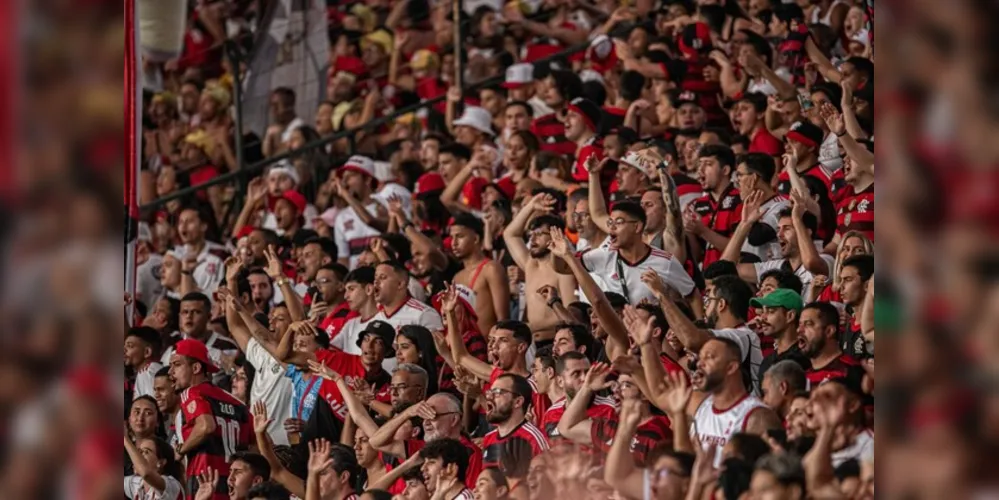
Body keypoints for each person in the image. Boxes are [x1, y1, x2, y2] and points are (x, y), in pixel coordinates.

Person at [168, 339, 253, 499]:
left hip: (205, 485)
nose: (170, 371)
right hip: (235, 489)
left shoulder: (191, 393)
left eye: (176, 365)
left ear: (196, 368)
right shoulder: (237, 403)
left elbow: (206, 426)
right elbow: (260, 444)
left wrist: (180, 450)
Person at [686, 337, 782, 467]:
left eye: (709, 357)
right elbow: (658, 394)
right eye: (700, 358)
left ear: (731, 367)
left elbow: (773, 473)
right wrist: (647, 345)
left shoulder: (758, 417)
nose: (699, 364)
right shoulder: (700, 405)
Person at [579, 199, 695, 305]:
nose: (612, 228)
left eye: (619, 222)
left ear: (637, 227)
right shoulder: (605, 255)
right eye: (610, 223)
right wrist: (565, 254)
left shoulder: (665, 261)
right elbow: (565, 267)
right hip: (617, 326)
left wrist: (701, 324)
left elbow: (692, 295)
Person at [502, 192, 578, 341]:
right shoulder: (530, 264)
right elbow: (510, 234)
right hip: (532, 342)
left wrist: (531, 326)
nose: (533, 239)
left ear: (555, 235)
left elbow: (572, 315)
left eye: (539, 234)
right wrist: (531, 206)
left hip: (555, 341)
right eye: (531, 235)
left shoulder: (563, 269)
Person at [449, 213, 510, 335]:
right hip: (465, 349)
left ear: (476, 239)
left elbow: (503, 319)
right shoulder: (457, 277)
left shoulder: (491, 269)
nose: (453, 243)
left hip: (488, 348)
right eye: (452, 237)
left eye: (459, 236)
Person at [687, 145, 743, 269]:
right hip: (708, 277)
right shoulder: (699, 204)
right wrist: (688, 230)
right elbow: (696, 256)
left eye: (708, 164)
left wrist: (703, 231)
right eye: (700, 163)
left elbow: (740, 250)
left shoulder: (740, 200)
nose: (700, 169)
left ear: (725, 170)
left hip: (734, 277)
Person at [480, 374, 549, 468]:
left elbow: (549, 480)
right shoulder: (488, 438)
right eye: (489, 392)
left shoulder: (533, 439)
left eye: (497, 392)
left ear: (518, 402)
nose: (489, 397)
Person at [548, 354, 616, 442]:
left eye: (587, 372)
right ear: (560, 381)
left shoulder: (610, 409)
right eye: (576, 374)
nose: (584, 378)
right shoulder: (551, 414)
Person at [797, 302, 864, 387]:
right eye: (800, 325)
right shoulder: (801, 378)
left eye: (808, 324)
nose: (799, 330)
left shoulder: (851, 373)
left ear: (829, 331)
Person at [752, 289, 809, 382]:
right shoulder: (767, 361)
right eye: (763, 311)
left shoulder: (802, 360)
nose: (763, 317)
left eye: (770, 311)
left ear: (790, 316)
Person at [373, 261, 444, 333]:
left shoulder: (424, 314)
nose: (376, 281)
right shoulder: (375, 318)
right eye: (375, 278)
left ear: (400, 284)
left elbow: (439, 344)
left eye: (382, 277)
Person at [124, 432, 185, 500]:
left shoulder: (172, 485)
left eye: (145, 451)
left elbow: (146, 474)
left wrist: (124, 438)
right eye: (139, 452)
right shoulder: (137, 484)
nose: (138, 457)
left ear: (161, 462)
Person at [126, 326, 164, 400]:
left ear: (147, 352)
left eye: (130, 346)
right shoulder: (153, 369)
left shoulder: (148, 371)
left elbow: (152, 405)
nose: (124, 350)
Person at [152, 367, 181, 444]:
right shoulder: (167, 425)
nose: (156, 395)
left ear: (176, 387)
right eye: (155, 390)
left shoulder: (190, 421)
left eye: (161, 389)